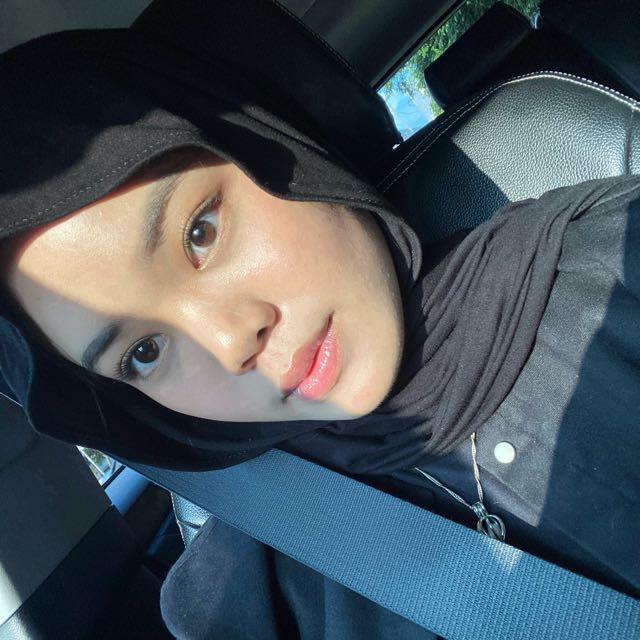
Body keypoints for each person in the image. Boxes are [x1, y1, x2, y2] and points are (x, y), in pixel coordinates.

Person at [0, 0, 638, 637]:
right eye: (143, 353)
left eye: (200, 232)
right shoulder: (241, 596)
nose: (229, 340)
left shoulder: (619, 258)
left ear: (273, 144)